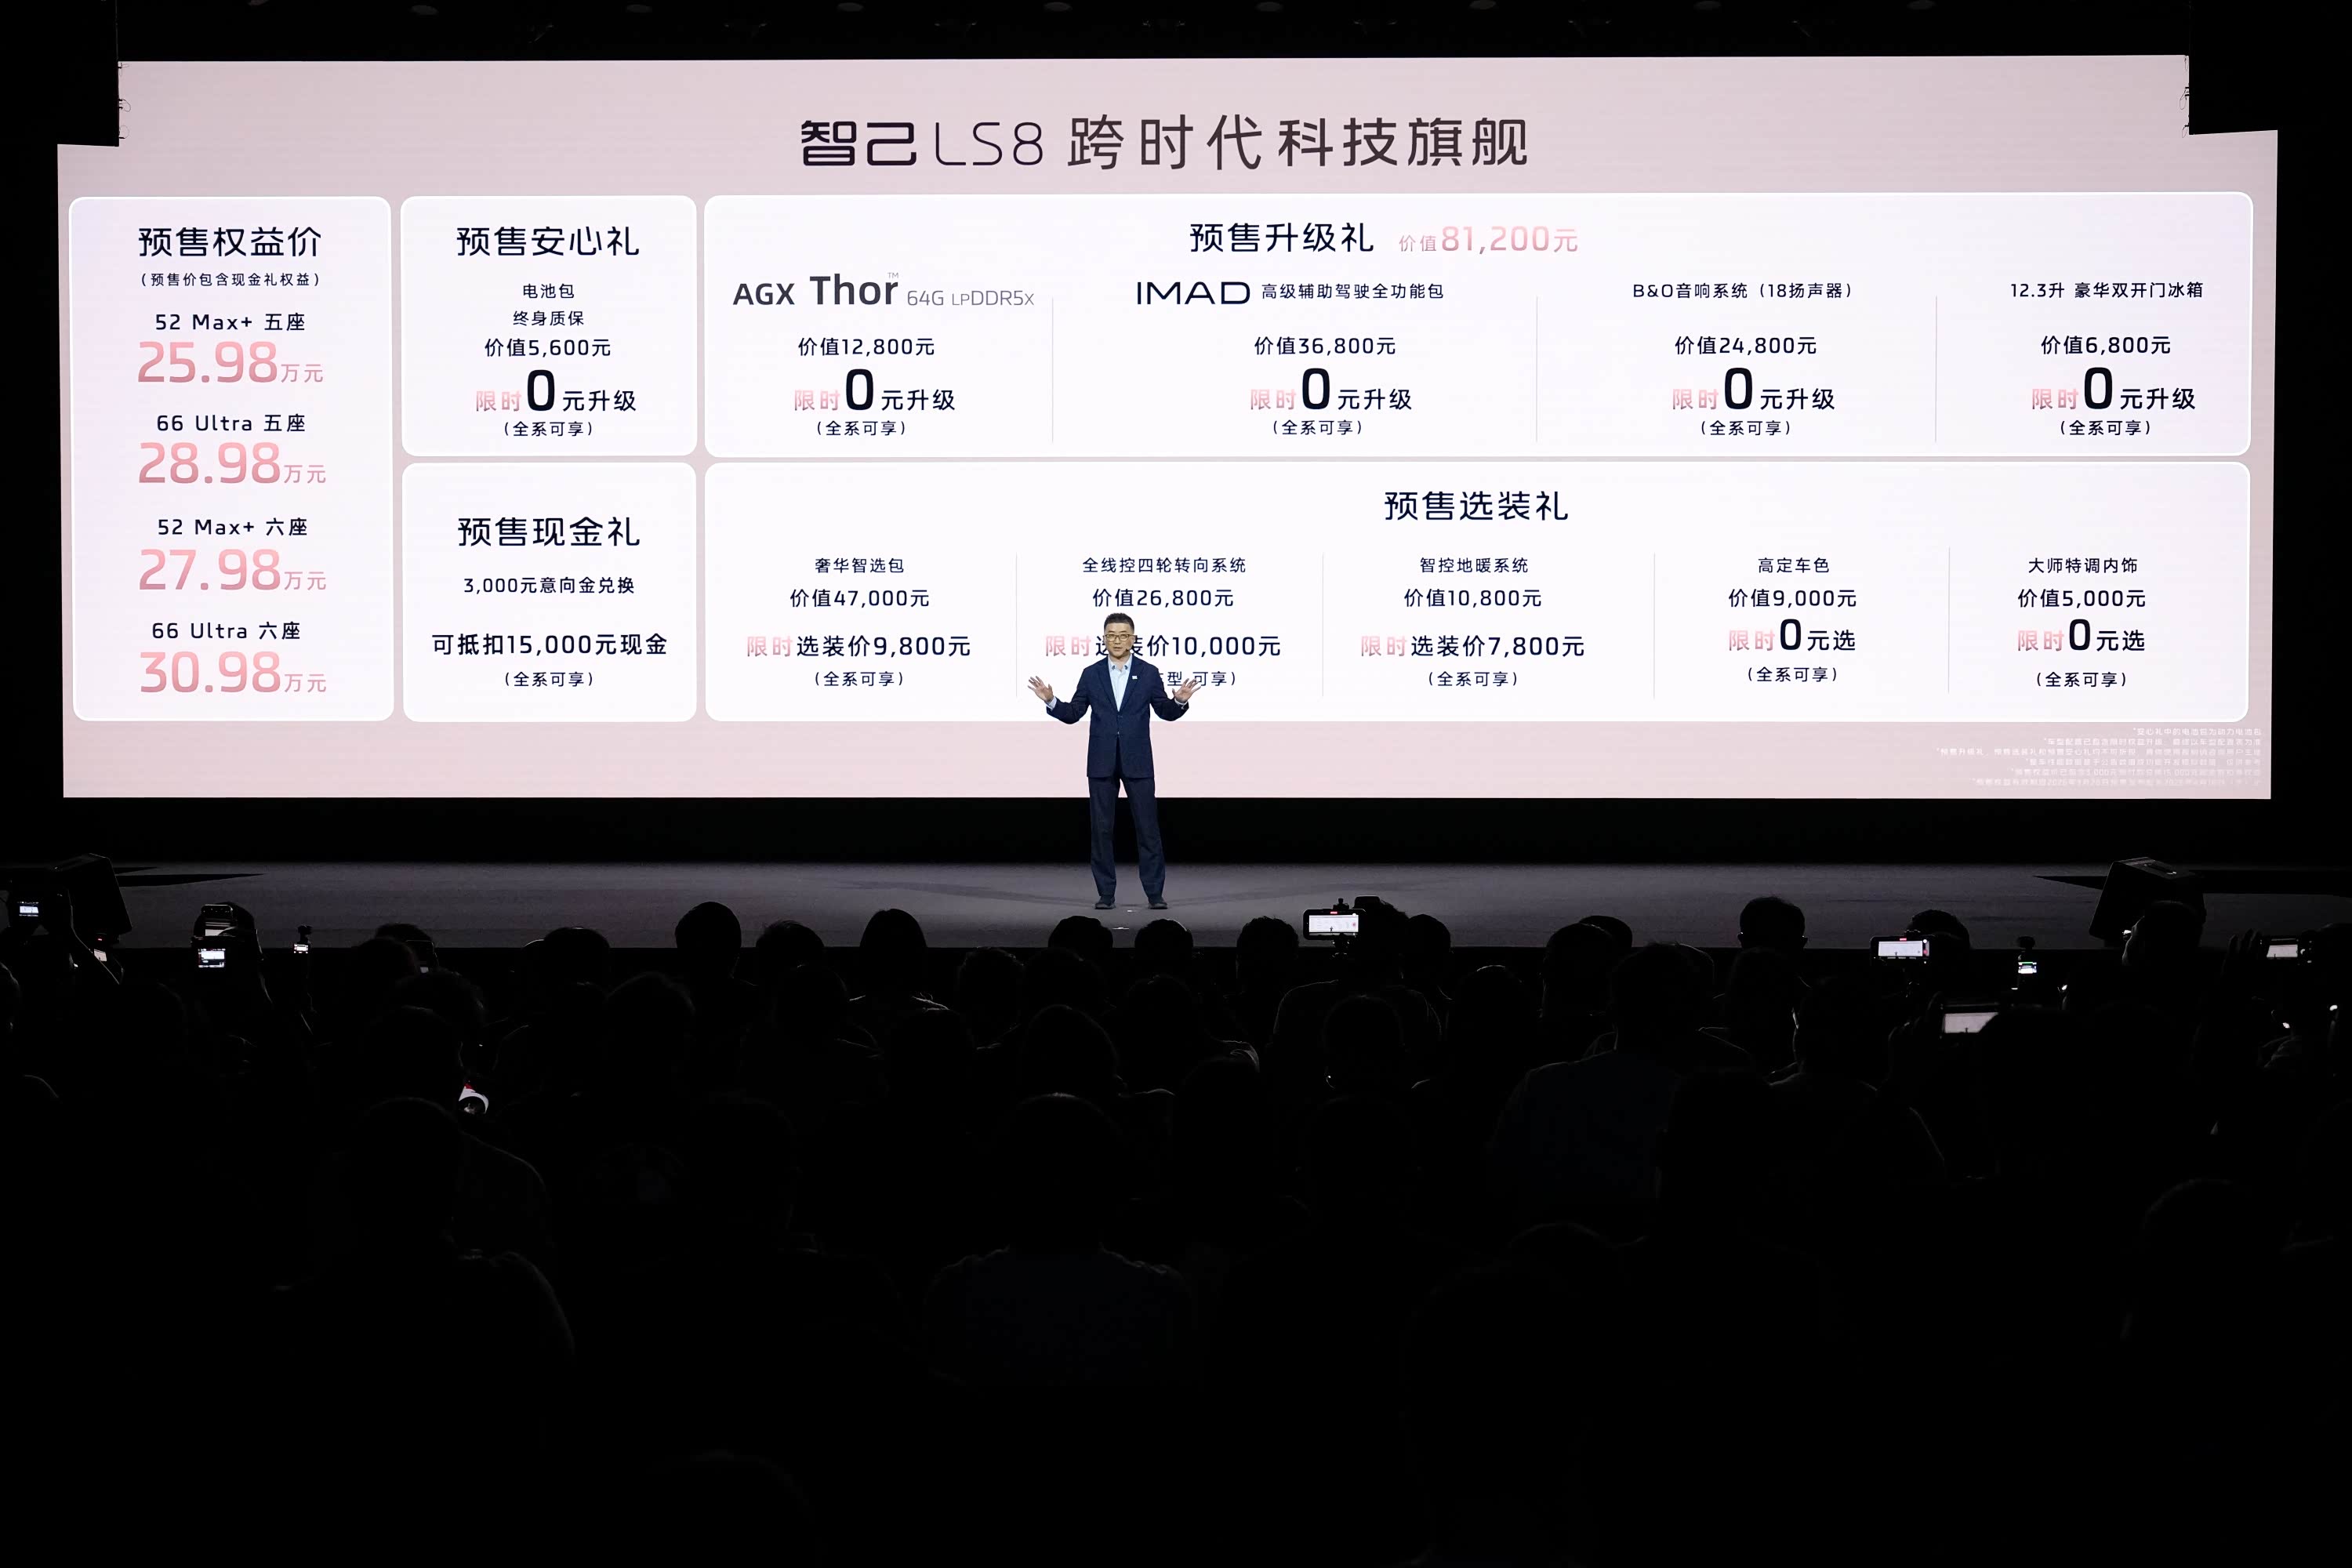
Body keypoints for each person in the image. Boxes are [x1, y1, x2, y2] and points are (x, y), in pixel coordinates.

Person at [1028, 611, 1199, 911]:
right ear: (1104, 639)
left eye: (1123, 635)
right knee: (1101, 830)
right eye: (1111, 635)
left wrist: (1180, 701)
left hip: (1138, 761)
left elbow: (1165, 711)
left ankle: (1155, 894)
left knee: (1148, 830)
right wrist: (1051, 701)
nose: (1117, 640)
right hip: (1101, 762)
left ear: (1133, 639)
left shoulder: (1148, 672)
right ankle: (1106, 894)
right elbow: (1074, 713)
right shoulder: (1091, 674)